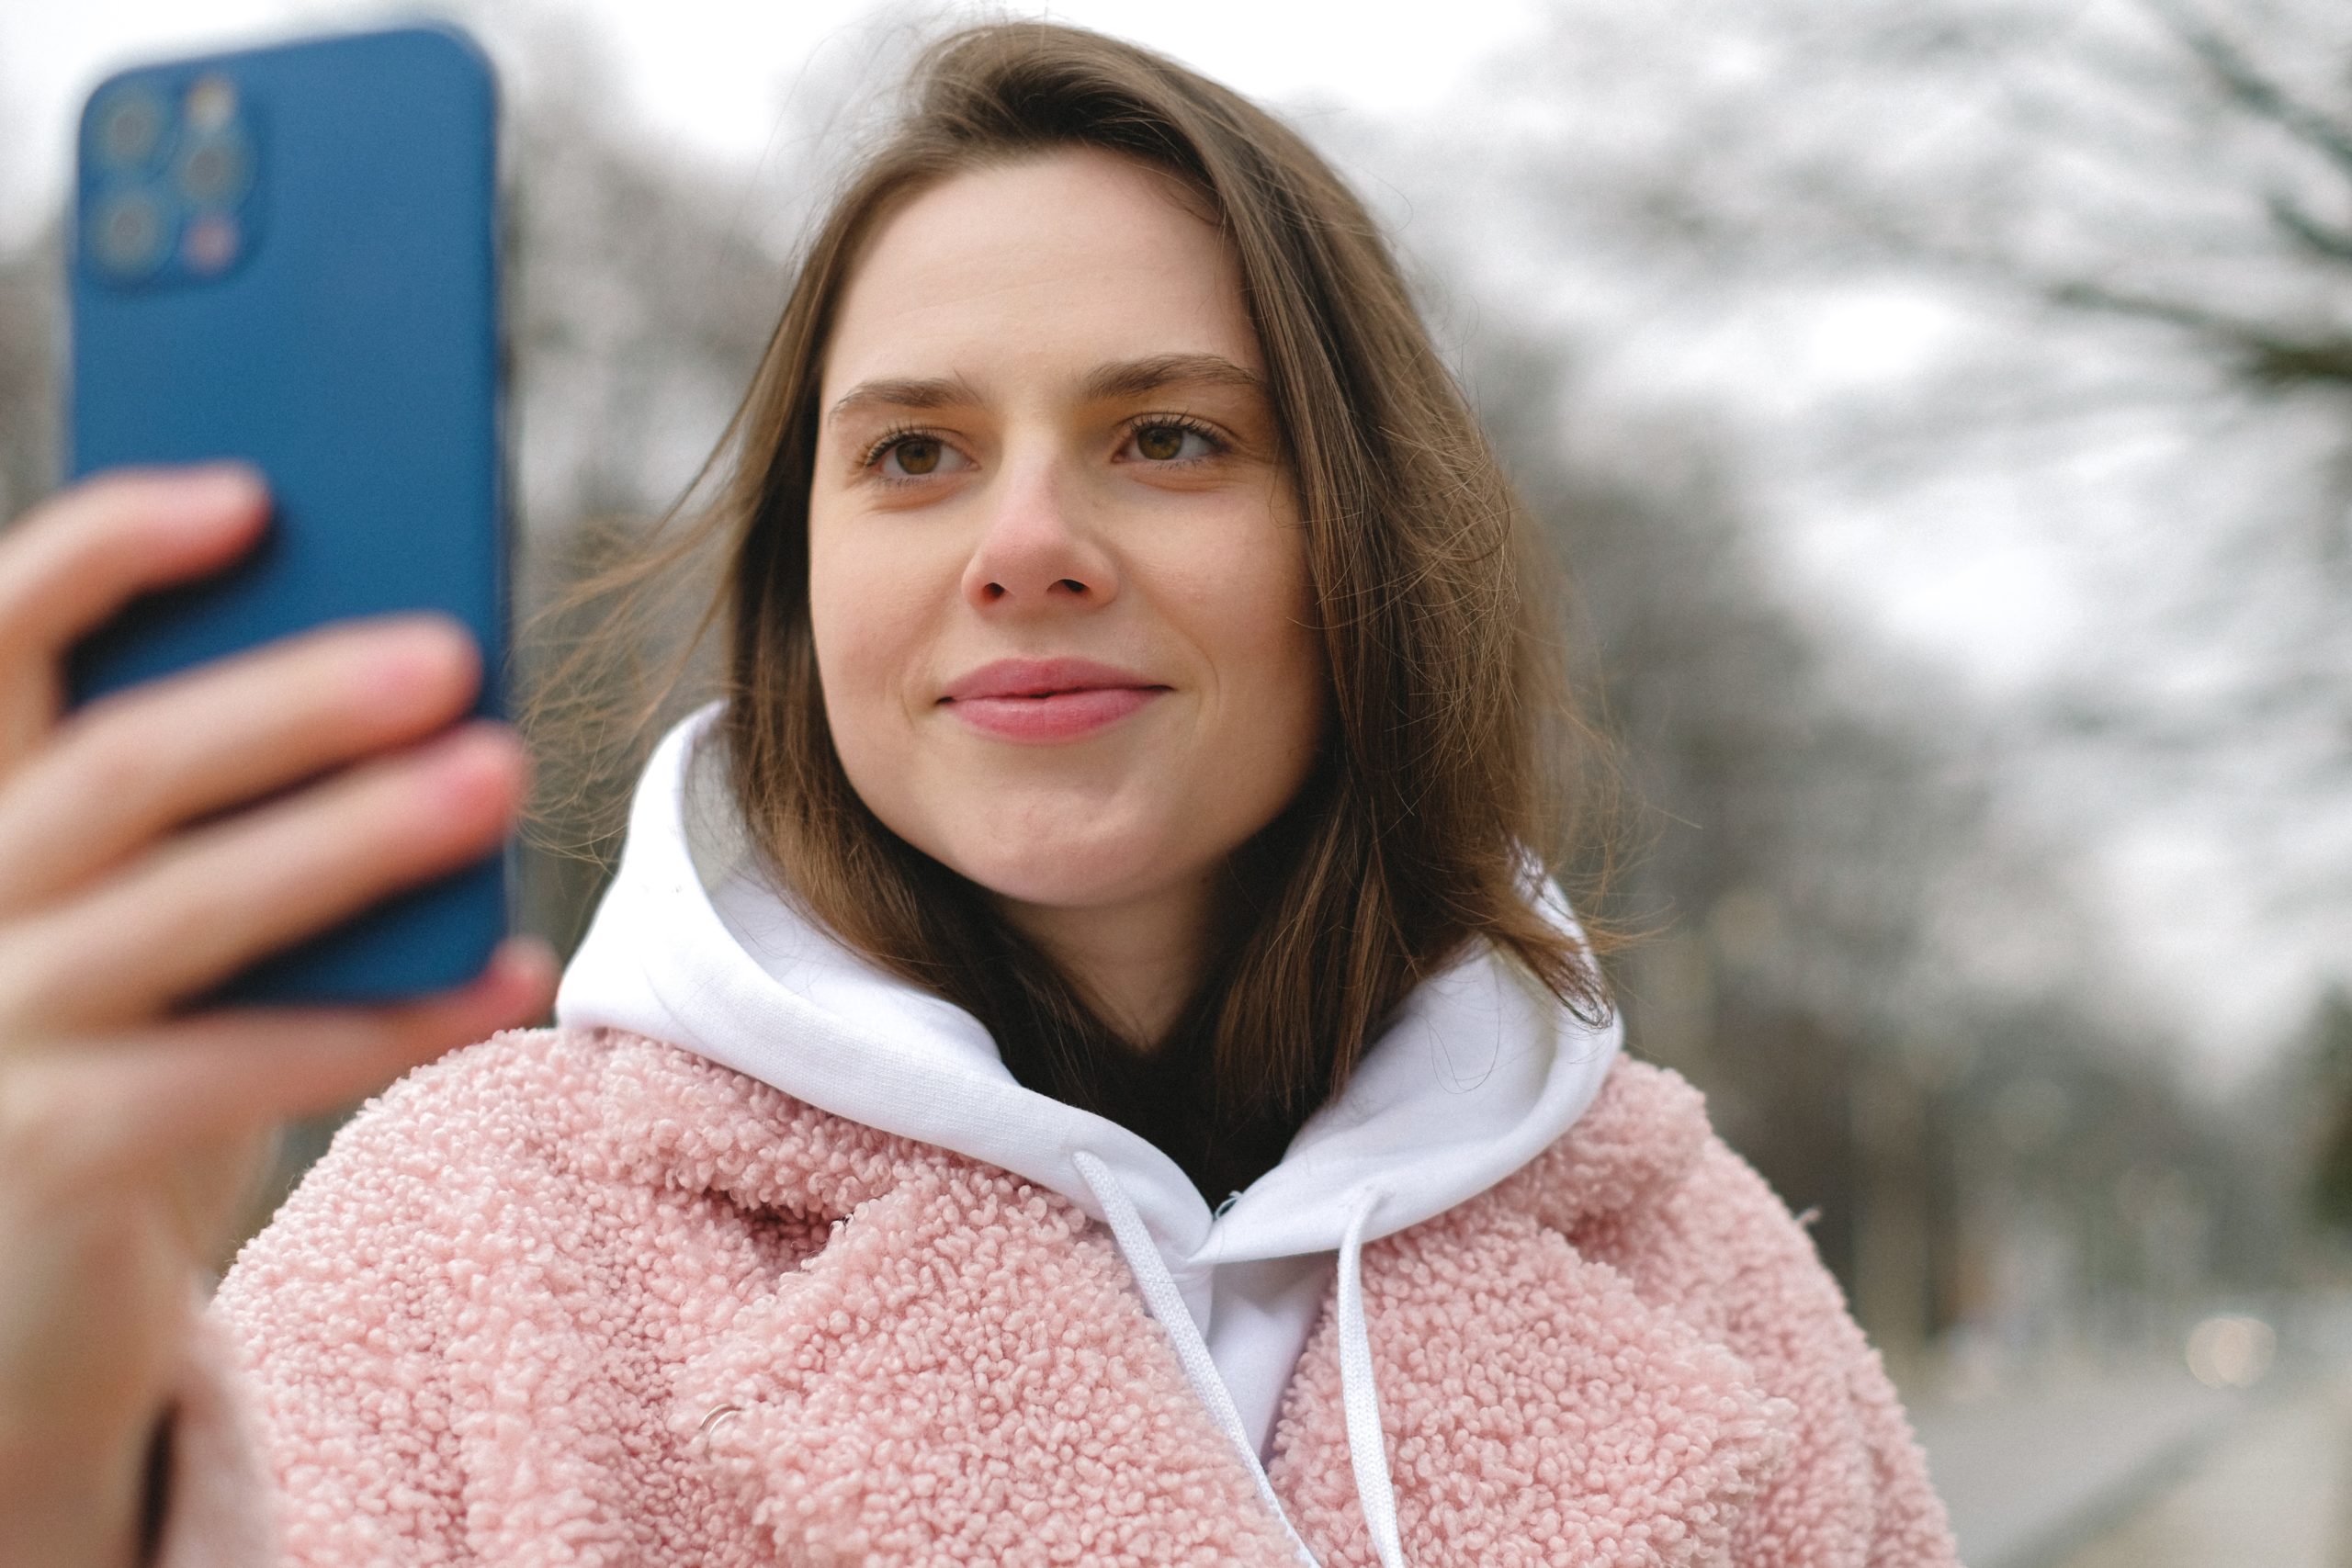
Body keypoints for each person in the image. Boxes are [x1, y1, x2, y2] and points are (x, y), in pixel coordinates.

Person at [0, 21, 1961, 1568]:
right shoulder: (463, 1242)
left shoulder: (1700, 1266)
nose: (1024, 542)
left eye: (1167, 435)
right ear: (799, 586)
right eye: (916, 453)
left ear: (1363, 548)